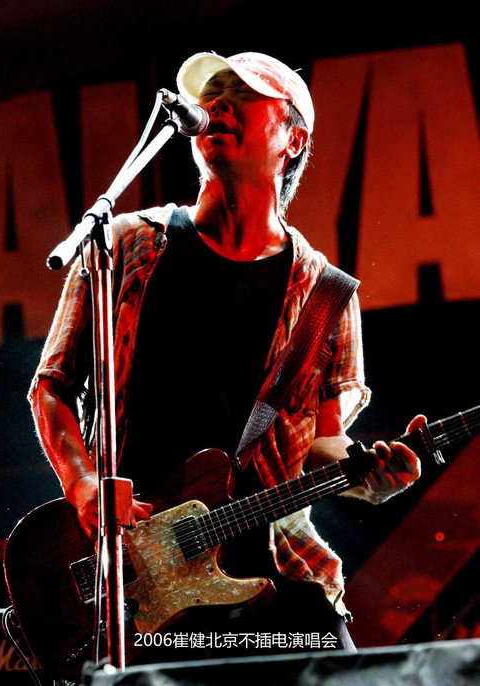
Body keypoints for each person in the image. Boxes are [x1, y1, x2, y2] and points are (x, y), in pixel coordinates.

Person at [29, 51, 422, 659]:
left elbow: (323, 441)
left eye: (243, 96)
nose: (217, 106)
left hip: (270, 568)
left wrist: (370, 477)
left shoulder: (326, 295)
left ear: (293, 139)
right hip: (134, 580)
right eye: (211, 96)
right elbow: (51, 385)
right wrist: (82, 484)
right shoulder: (126, 245)